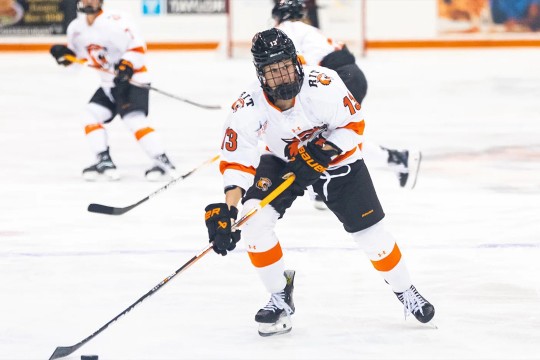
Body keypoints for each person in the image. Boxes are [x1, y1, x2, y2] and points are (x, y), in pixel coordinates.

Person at [203, 28, 435, 337]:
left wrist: (321, 151)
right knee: (253, 222)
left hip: (338, 161)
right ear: (260, 75)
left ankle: (405, 290)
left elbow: (354, 125)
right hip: (283, 162)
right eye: (272, 71)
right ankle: (279, 296)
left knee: (372, 237)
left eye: (285, 66)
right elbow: (237, 160)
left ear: (296, 63)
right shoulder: (247, 106)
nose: (282, 76)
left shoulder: (323, 84)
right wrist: (229, 210)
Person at [272, 0, 422, 198]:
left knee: (324, 135)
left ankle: (397, 159)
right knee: (332, 135)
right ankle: (398, 159)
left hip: (340, 80)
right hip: (349, 76)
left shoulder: (286, 30)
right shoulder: (306, 30)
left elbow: (295, 68)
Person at [49, 0, 177, 181]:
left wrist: (127, 64)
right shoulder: (75, 28)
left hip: (133, 80)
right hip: (108, 84)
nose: (88, 1)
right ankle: (104, 160)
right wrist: (64, 55)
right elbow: (76, 60)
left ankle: (162, 161)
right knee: (90, 115)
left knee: (133, 119)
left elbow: (138, 46)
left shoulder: (115, 21)